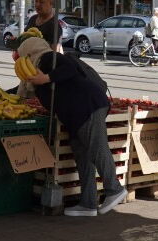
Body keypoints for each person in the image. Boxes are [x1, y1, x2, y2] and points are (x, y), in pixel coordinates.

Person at [18, 35, 126, 217]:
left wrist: (46, 78)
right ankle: (88, 203)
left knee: (96, 147)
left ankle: (114, 188)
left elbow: (70, 68)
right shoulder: (36, 70)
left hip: (88, 107)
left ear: (30, 51)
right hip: (76, 115)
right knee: (82, 154)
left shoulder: (47, 58)